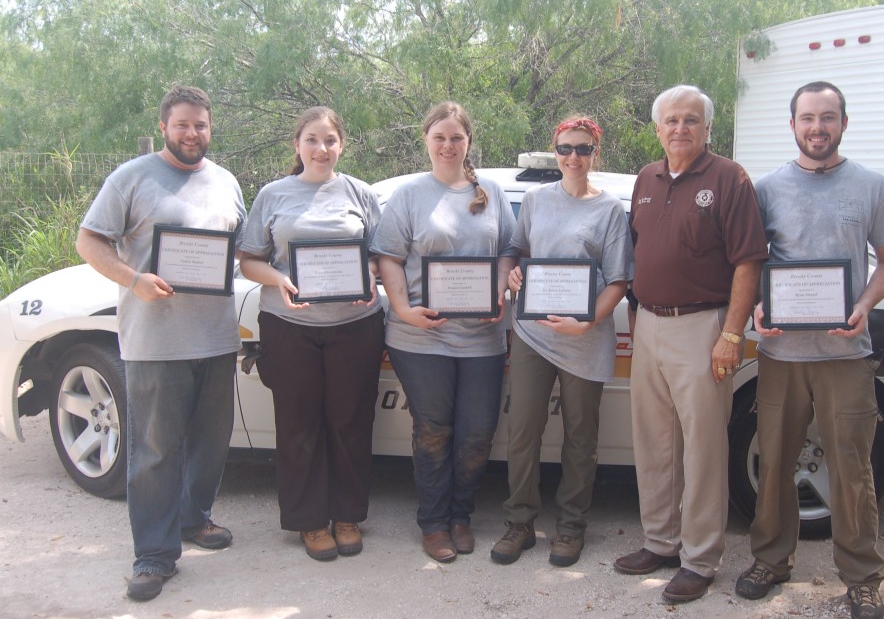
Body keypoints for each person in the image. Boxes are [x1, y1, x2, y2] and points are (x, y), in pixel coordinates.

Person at [735, 82, 884, 619]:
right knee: (776, 463)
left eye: (827, 117)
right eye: (807, 118)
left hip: (846, 354)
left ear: (843, 123)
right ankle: (771, 561)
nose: (817, 128)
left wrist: (864, 304)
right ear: (792, 126)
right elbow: (752, 264)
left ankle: (861, 578)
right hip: (782, 358)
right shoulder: (765, 190)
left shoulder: (871, 186)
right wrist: (760, 308)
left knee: (853, 470)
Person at [76, 86, 246, 601]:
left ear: (210, 128)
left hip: (216, 337)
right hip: (156, 341)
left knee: (211, 442)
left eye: (200, 125)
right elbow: (90, 240)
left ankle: (194, 520)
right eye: (182, 125)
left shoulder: (226, 181)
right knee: (154, 453)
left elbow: (235, 250)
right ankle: (153, 555)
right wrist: (134, 280)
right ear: (165, 126)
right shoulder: (131, 177)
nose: (192, 134)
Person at [613, 85, 768, 603]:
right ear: (657, 129)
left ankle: (699, 559)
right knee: (654, 443)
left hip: (705, 327)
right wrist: (636, 319)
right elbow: (639, 253)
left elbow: (748, 261)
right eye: (671, 120)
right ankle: (660, 541)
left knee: (703, 448)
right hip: (649, 325)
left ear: (707, 129)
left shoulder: (729, 178)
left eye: (691, 121)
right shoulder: (646, 178)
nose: (681, 129)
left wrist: (732, 335)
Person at [371, 101, 517, 563]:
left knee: (477, 432)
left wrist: (499, 288)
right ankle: (434, 523)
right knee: (433, 429)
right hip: (420, 336)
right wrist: (402, 309)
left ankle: (461, 516)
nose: (448, 145)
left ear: (468, 141)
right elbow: (388, 257)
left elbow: (510, 249)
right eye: (440, 137)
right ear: (426, 141)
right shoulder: (409, 195)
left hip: (483, 338)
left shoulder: (490, 190)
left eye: (456, 137)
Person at [238, 107, 385, 561]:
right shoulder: (273, 194)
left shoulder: (360, 193)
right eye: (312, 140)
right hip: (289, 328)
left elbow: (382, 256)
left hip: (354, 327)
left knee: (351, 422)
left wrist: (370, 276)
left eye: (330, 141)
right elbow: (249, 259)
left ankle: (346, 516)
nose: (322, 149)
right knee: (298, 424)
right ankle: (308, 522)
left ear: (342, 145)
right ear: (297, 145)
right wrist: (278, 279)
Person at [490, 117, 633, 568]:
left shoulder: (609, 210)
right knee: (523, 430)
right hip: (533, 334)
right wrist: (510, 272)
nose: (574, 157)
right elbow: (515, 249)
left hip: (585, 338)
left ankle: (571, 527)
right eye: (566, 148)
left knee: (580, 438)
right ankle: (520, 523)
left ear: (596, 154)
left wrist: (587, 320)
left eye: (583, 149)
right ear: (555, 151)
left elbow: (619, 280)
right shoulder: (534, 200)